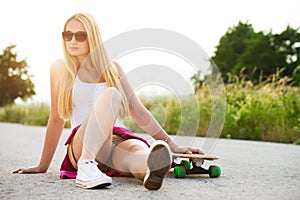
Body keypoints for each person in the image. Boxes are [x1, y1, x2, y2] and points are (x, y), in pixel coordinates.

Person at [13, 13, 203, 190]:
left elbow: (138, 111)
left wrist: (171, 144)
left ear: (92, 37)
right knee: (111, 94)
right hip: (83, 141)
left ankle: (150, 168)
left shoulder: (113, 68)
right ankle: (86, 166)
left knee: (137, 152)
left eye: (80, 36)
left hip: (117, 139)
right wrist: (42, 165)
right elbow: (56, 118)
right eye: (67, 35)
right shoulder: (60, 68)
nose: (72, 40)